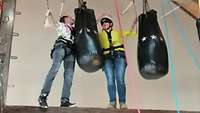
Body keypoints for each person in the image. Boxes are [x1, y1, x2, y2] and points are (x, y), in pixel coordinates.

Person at [98, 16, 137, 109]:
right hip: (107, 57)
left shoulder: (117, 32)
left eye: (106, 22)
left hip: (119, 56)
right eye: (102, 23)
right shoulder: (99, 35)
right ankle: (112, 102)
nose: (104, 24)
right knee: (110, 80)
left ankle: (122, 102)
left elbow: (131, 32)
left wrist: (134, 23)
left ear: (111, 24)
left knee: (120, 79)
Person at [38, 15, 76, 109]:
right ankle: (43, 96)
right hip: (61, 47)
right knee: (54, 69)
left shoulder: (74, 30)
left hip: (71, 51)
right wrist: (48, 16)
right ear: (64, 20)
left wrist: (102, 16)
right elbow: (48, 25)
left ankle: (65, 100)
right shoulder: (61, 25)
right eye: (69, 17)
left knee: (69, 76)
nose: (71, 18)